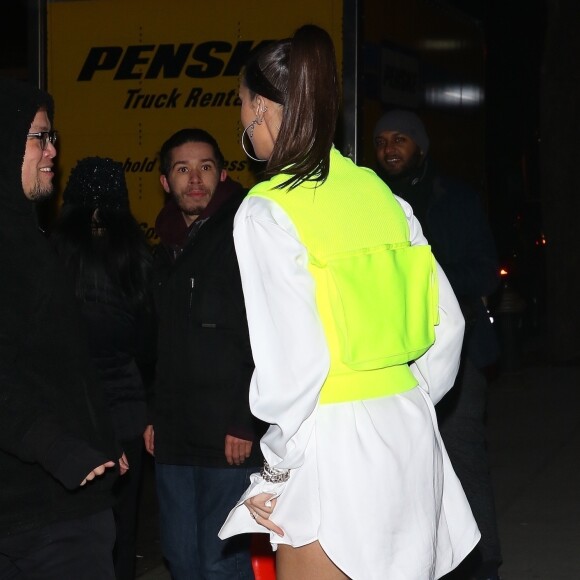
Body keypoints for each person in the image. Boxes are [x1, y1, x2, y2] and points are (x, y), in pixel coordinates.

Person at [219, 25, 479, 580]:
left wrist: (279, 469)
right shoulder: (379, 194)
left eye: (242, 105)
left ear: (262, 108)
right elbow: (448, 325)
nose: (242, 120)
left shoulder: (266, 212)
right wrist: (401, 397)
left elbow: (294, 363)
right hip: (408, 430)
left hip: (330, 444)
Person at [0, 78, 123, 578]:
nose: (52, 151)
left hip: (59, 501)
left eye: (53, 138)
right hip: (39, 511)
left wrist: (99, 435)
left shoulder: (29, 238)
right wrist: (57, 445)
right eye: (38, 137)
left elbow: (58, 358)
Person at [373, 109, 502, 580]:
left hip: (458, 347)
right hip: (390, 352)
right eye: (383, 140)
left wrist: (426, 277)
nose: (390, 149)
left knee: (461, 454)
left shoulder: (456, 200)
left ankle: (482, 564)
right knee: (401, 465)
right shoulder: (369, 202)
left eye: (401, 139)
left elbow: (486, 270)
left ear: (420, 147)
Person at [144, 128, 264, 579]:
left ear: (224, 174)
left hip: (227, 437)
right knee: (181, 558)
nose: (195, 179)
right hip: (174, 434)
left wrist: (244, 419)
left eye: (206, 168)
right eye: (182, 169)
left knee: (222, 564)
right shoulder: (166, 247)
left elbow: (263, 335)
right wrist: (153, 413)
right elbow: (160, 343)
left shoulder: (244, 233)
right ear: (165, 182)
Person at [51, 156, 156, 580]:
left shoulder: (52, 256)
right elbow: (148, 344)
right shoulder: (136, 258)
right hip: (125, 408)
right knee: (123, 529)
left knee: (72, 534)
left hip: (68, 412)